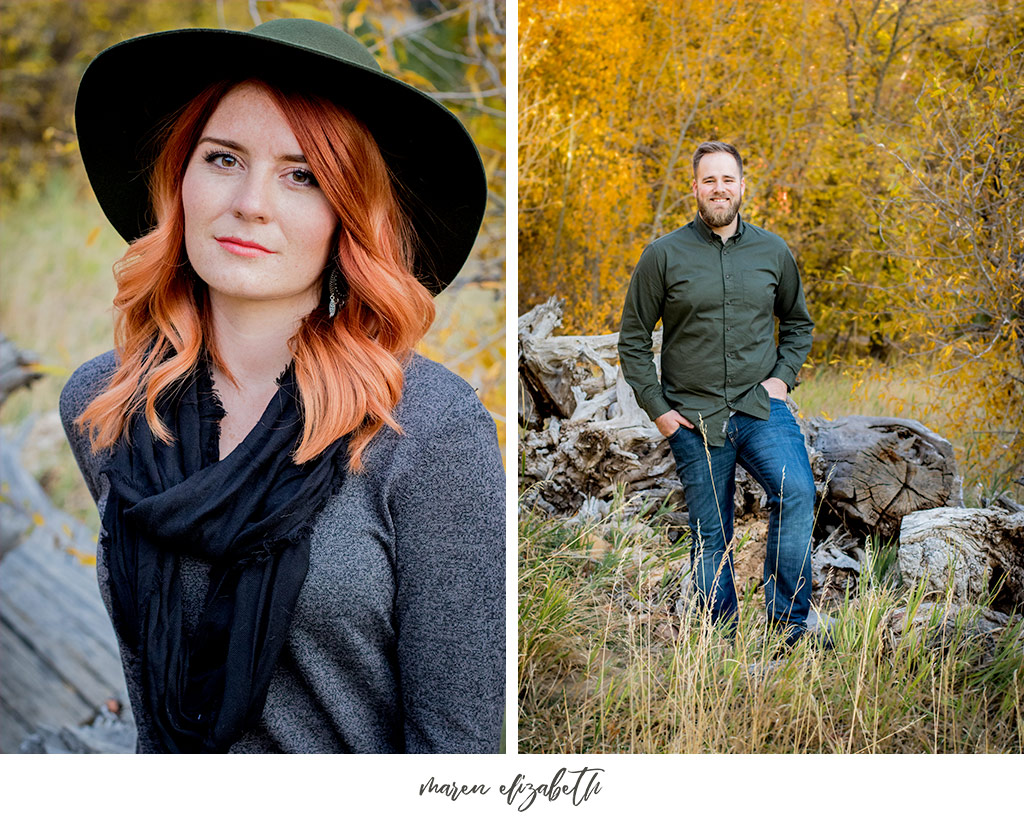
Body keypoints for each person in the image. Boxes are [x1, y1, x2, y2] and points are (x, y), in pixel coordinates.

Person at [59, 18, 504, 753]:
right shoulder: (104, 406)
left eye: (303, 175)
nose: (252, 202)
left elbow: (459, 754)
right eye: (224, 158)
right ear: (181, 177)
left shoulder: (426, 430)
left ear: (347, 218)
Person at [618, 140, 816, 644]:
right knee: (713, 536)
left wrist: (780, 380)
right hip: (694, 418)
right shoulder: (662, 256)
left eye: (728, 179)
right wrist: (660, 411)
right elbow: (634, 342)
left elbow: (798, 326)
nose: (719, 189)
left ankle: (788, 628)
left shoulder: (772, 251)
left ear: (742, 187)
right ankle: (718, 641)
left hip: (758, 407)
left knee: (796, 492)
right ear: (695, 188)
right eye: (710, 180)